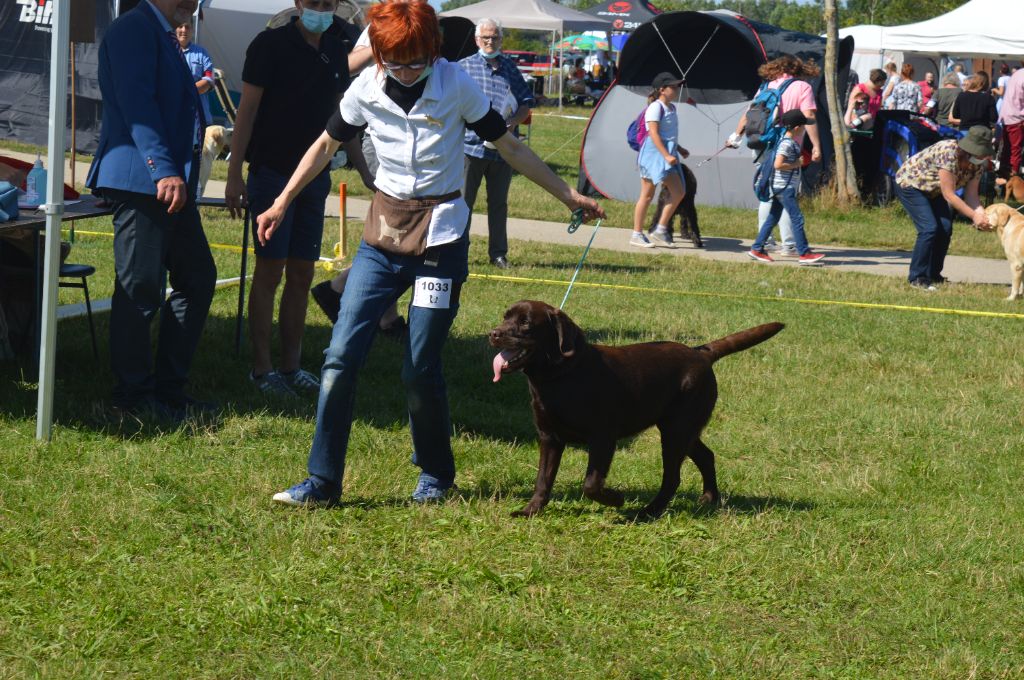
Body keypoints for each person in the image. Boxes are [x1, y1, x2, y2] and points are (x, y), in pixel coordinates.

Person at [263, 0, 603, 507]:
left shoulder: (455, 84)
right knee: (338, 358)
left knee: (420, 364)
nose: (407, 70)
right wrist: (282, 199)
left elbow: (509, 147)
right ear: (379, 54)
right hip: (383, 237)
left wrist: (566, 195)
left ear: (433, 51)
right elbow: (323, 145)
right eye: (395, 60)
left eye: (416, 59)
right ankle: (322, 481)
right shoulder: (365, 89)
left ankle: (437, 475)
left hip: (440, 239)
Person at [225, 0, 373, 398]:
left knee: (302, 275)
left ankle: (290, 367)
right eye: (314, 2)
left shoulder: (337, 48)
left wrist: (362, 169)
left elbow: (345, 121)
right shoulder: (268, 44)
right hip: (270, 175)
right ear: (297, 3)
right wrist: (234, 171)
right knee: (269, 273)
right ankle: (262, 369)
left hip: (315, 180)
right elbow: (247, 111)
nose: (321, 9)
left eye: (329, 3)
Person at [85, 0, 216, 421]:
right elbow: (137, 104)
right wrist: (162, 169)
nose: (191, 4)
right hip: (145, 180)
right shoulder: (134, 29)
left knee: (197, 278)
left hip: (165, 182)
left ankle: (167, 390)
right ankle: (131, 400)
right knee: (140, 290)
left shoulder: (158, 32)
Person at [458, 18, 535, 269]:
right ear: (476, 40)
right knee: (463, 203)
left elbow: (526, 101)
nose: (490, 42)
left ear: (501, 39)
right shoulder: (463, 67)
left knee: (499, 204)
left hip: (503, 148)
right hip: (470, 146)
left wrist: (513, 121)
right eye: (485, 38)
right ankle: (458, 251)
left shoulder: (510, 67)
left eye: (495, 37)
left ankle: (498, 254)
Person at [727, 54, 822, 257]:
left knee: (767, 193)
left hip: (761, 144)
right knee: (787, 192)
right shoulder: (802, 87)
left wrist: (736, 136)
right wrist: (816, 146)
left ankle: (767, 242)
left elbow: (748, 114)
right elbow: (809, 117)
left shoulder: (765, 87)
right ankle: (789, 245)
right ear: (798, 70)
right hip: (788, 146)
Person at [895, 126, 992, 291]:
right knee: (929, 229)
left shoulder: (979, 165)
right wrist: (973, 216)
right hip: (910, 185)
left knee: (945, 228)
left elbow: (972, 196)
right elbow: (949, 195)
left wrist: (982, 215)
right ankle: (917, 278)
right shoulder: (947, 151)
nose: (983, 156)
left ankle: (933, 275)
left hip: (934, 190)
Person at [746, 110, 825, 266]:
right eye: (803, 126)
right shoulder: (787, 143)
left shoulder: (785, 140)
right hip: (784, 188)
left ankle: (757, 248)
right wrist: (797, 163)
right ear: (796, 127)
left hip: (780, 187)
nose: (804, 129)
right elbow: (778, 164)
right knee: (797, 218)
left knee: (772, 218)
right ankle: (804, 253)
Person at [631, 72, 689, 249]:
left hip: (667, 153)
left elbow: (668, 135)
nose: (677, 89)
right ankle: (636, 234)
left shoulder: (672, 107)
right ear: (662, 90)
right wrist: (666, 155)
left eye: (678, 86)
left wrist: (679, 149)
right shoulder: (656, 108)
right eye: (673, 86)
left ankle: (660, 229)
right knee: (647, 195)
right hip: (653, 155)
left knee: (679, 191)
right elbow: (654, 134)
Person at [175, 21, 214, 132]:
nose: (184, 30)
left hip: (200, 119)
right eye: (180, 26)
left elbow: (209, 80)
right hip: (174, 118)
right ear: (174, 28)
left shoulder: (202, 53)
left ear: (192, 30)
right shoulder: (165, 51)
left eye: (187, 27)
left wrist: (184, 92)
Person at [997, 60, 1024, 183]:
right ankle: (1013, 181)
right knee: (1015, 150)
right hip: (1016, 116)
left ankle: (1004, 178)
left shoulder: (1017, 74)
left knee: (1008, 149)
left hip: (1008, 115)